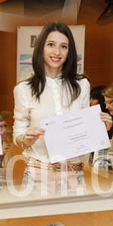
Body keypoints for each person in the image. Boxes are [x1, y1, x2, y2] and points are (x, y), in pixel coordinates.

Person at [12, 22, 102, 189]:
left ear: (69, 52)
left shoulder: (82, 85)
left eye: (64, 47)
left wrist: (100, 125)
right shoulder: (23, 89)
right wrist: (25, 138)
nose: (57, 52)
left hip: (73, 174)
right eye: (51, 45)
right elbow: (18, 131)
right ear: (41, 48)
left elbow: (85, 130)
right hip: (37, 174)